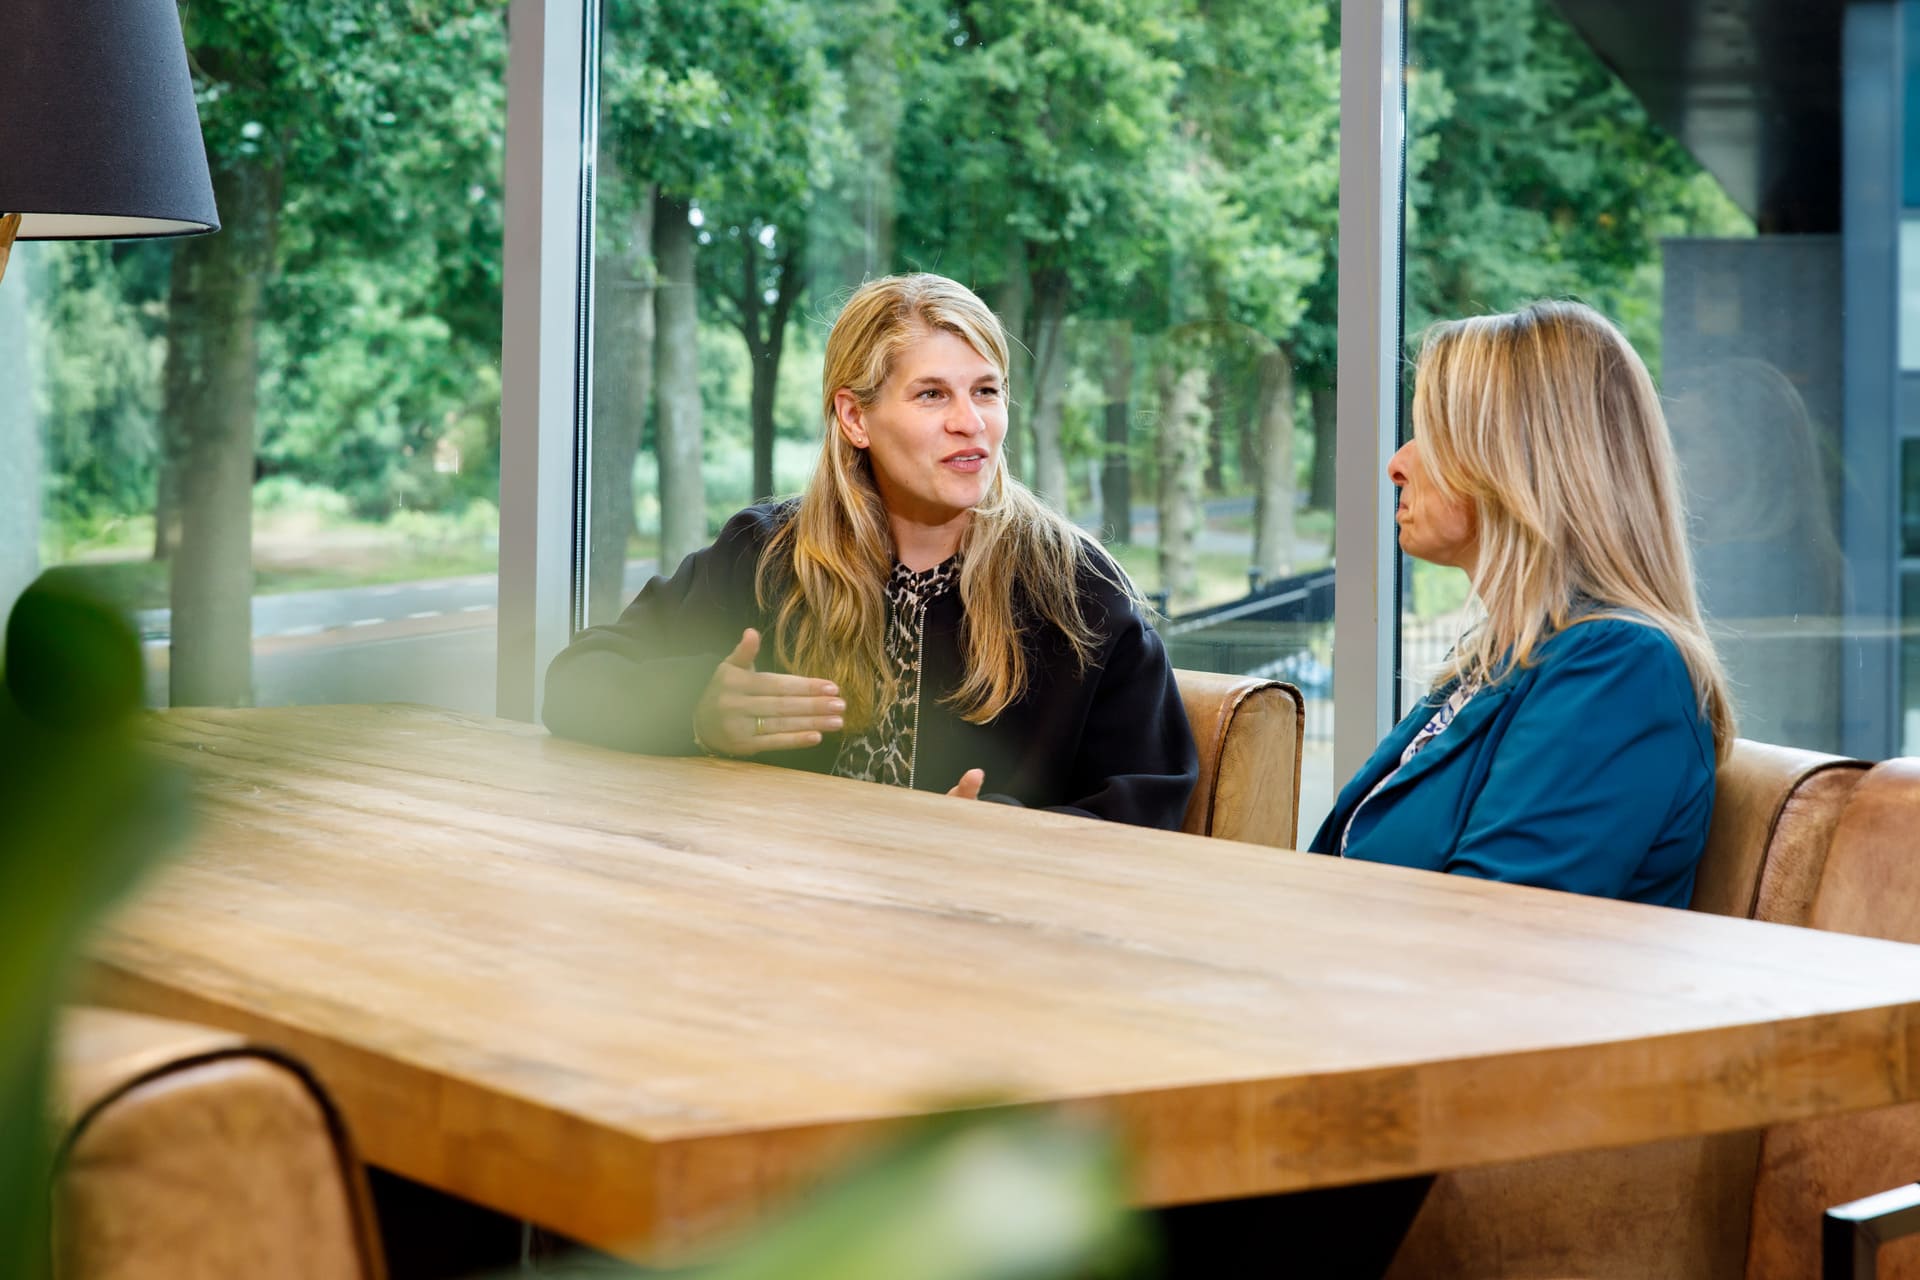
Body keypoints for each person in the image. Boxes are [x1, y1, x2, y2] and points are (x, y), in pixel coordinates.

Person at [543, 272, 1198, 827]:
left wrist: (1004, 843)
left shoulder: (1075, 589)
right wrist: (694, 711)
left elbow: (1152, 801)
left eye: (986, 391)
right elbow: (575, 682)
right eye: (932, 393)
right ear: (854, 418)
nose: (969, 421)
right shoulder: (767, 556)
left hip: (985, 947)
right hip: (778, 923)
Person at [1309, 300, 1734, 908]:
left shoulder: (1620, 666)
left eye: (1430, 432)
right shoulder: (1500, 658)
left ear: (1512, 462)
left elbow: (1496, 928)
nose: (1396, 463)